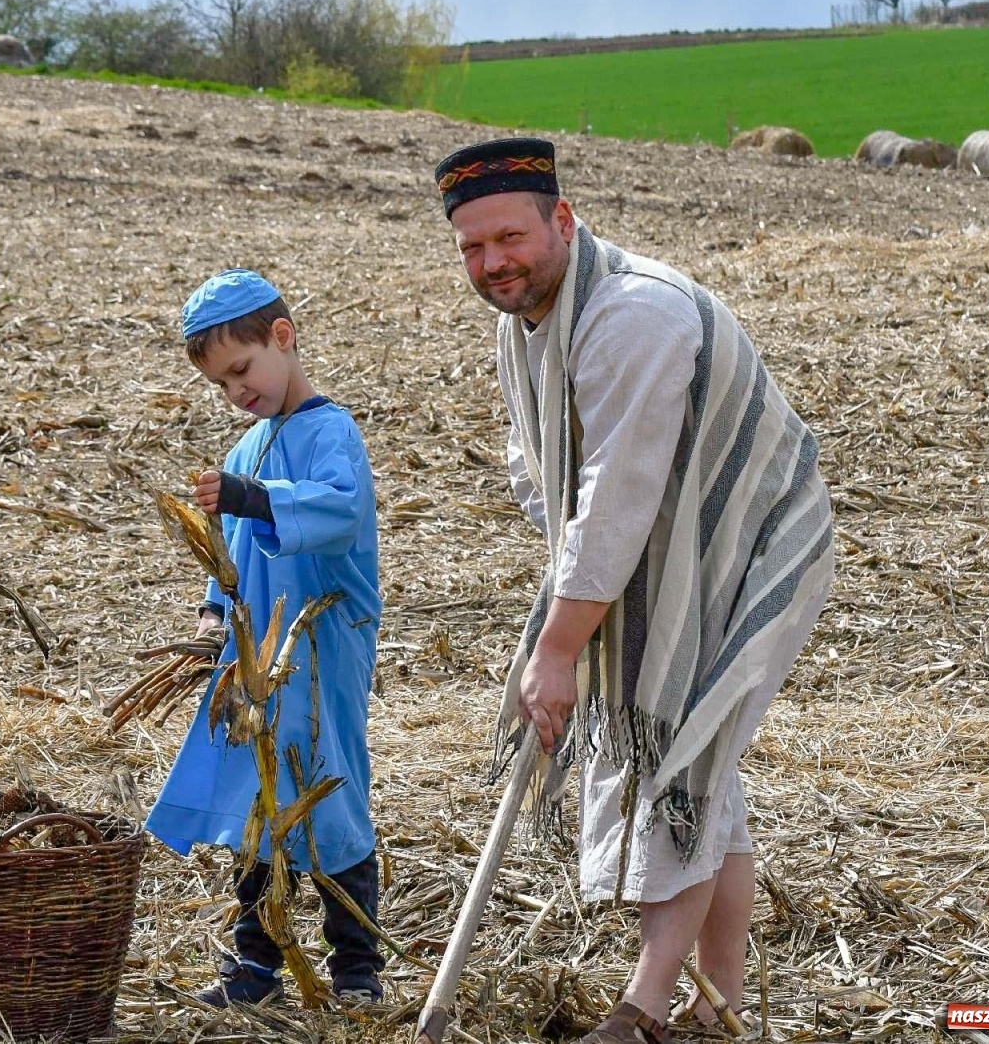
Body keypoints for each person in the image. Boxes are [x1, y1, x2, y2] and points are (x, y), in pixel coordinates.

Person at [433, 139, 834, 1044]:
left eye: (509, 236)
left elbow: (616, 489)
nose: (493, 262)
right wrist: (571, 595)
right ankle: (716, 1005)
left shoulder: (631, 317)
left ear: (562, 222)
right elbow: (545, 471)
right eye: (471, 247)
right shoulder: (523, 328)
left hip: (744, 550)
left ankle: (642, 1014)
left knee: (679, 752)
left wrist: (560, 645)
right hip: (653, 548)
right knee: (704, 772)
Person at [144, 269, 385, 1007]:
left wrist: (255, 497)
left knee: (325, 792)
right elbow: (231, 558)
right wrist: (213, 614)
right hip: (251, 665)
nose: (236, 392)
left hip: (318, 651)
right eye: (221, 384)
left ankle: (356, 970)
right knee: (256, 800)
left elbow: (339, 511)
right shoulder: (247, 448)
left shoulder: (330, 431)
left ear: (282, 338)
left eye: (242, 370)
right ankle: (253, 968)